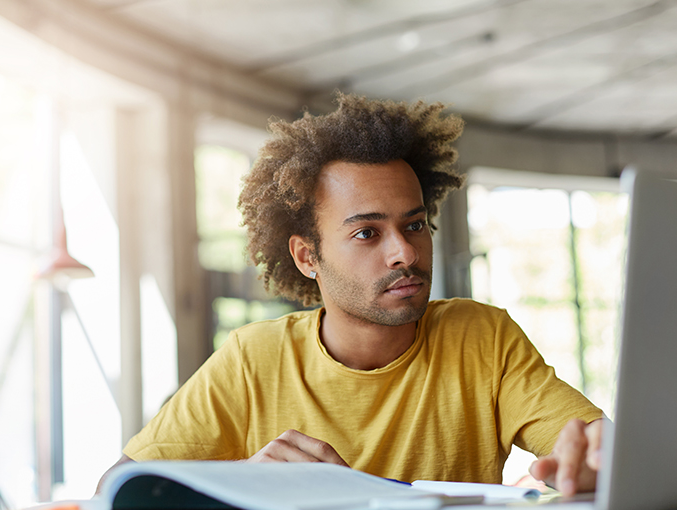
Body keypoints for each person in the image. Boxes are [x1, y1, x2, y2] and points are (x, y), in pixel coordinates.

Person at [98, 93, 604, 496]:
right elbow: (112, 492)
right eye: (367, 233)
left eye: (415, 224)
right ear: (306, 257)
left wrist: (596, 462)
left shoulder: (482, 336)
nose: (404, 252)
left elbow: (600, 449)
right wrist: (242, 485)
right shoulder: (253, 359)